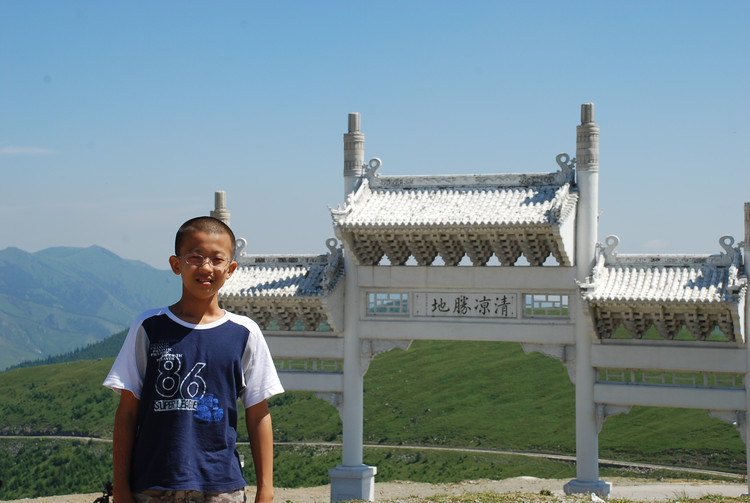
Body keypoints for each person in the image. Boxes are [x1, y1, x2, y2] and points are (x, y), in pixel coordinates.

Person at [103, 216, 284, 503]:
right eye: (195, 258)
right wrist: (122, 489)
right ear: (176, 264)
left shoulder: (244, 332)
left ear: (231, 269)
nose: (206, 268)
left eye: (217, 259)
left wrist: (266, 490)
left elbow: (258, 412)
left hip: (221, 486)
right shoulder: (148, 326)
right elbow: (127, 412)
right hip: (152, 484)